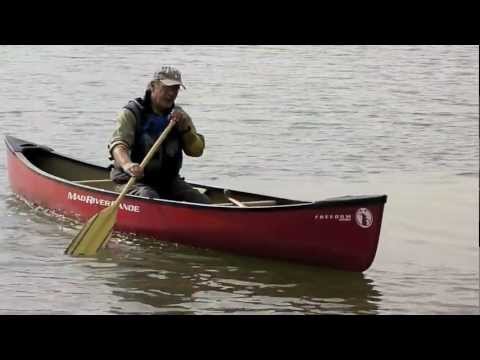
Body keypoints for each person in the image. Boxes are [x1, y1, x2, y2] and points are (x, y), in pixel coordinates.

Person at [107, 66, 210, 204]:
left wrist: (185, 129)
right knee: (149, 196)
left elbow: (196, 151)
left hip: (167, 182)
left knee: (200, 200)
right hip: (132, 181)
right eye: (166, 88)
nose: (171, 94)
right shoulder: (132, 113)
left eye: (175, 89)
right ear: (152, 86)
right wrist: (128, 165)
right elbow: (118, 146)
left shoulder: (180, 116)